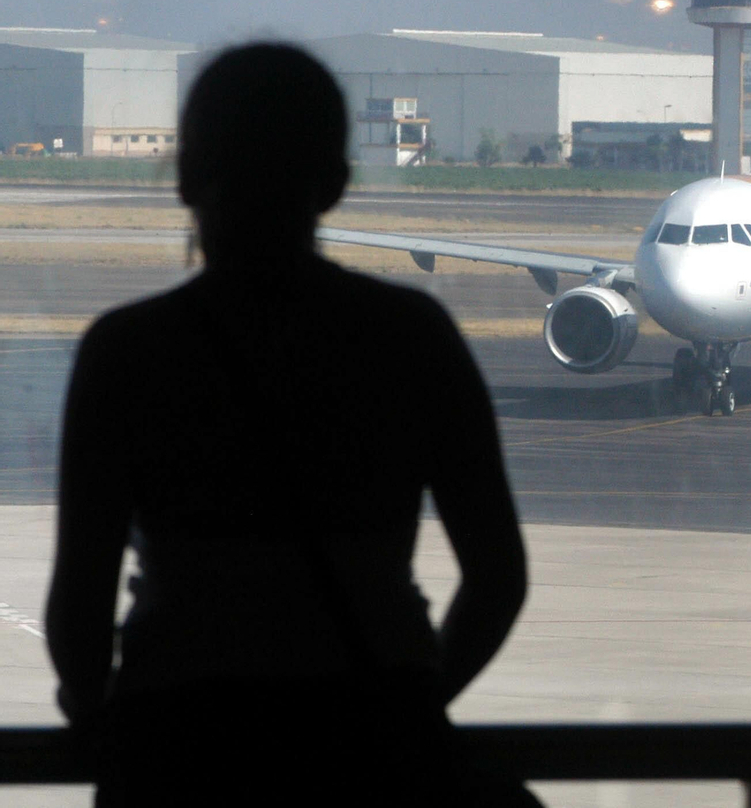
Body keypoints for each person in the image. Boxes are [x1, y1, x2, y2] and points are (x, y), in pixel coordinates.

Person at [45, 43, 528, 806]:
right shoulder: (411, 338)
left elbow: (79, 604)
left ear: (184, 179)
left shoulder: (128, 353)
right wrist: (411, 702)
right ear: (334, 184)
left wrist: (110, 712)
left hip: (182, 742)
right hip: (371, 740)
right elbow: (498, 578)